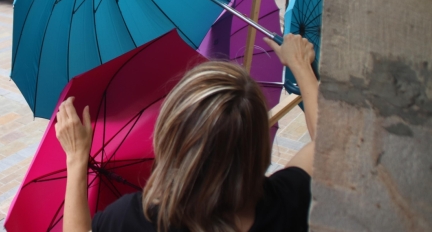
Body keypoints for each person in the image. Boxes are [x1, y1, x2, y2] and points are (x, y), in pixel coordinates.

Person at [55, 34, 318, 232]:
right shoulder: (287, 202)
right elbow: (329, 143)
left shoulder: (136, 219)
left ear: (170, 137)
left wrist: (77, 158)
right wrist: (301, 67)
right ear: (258, 145)